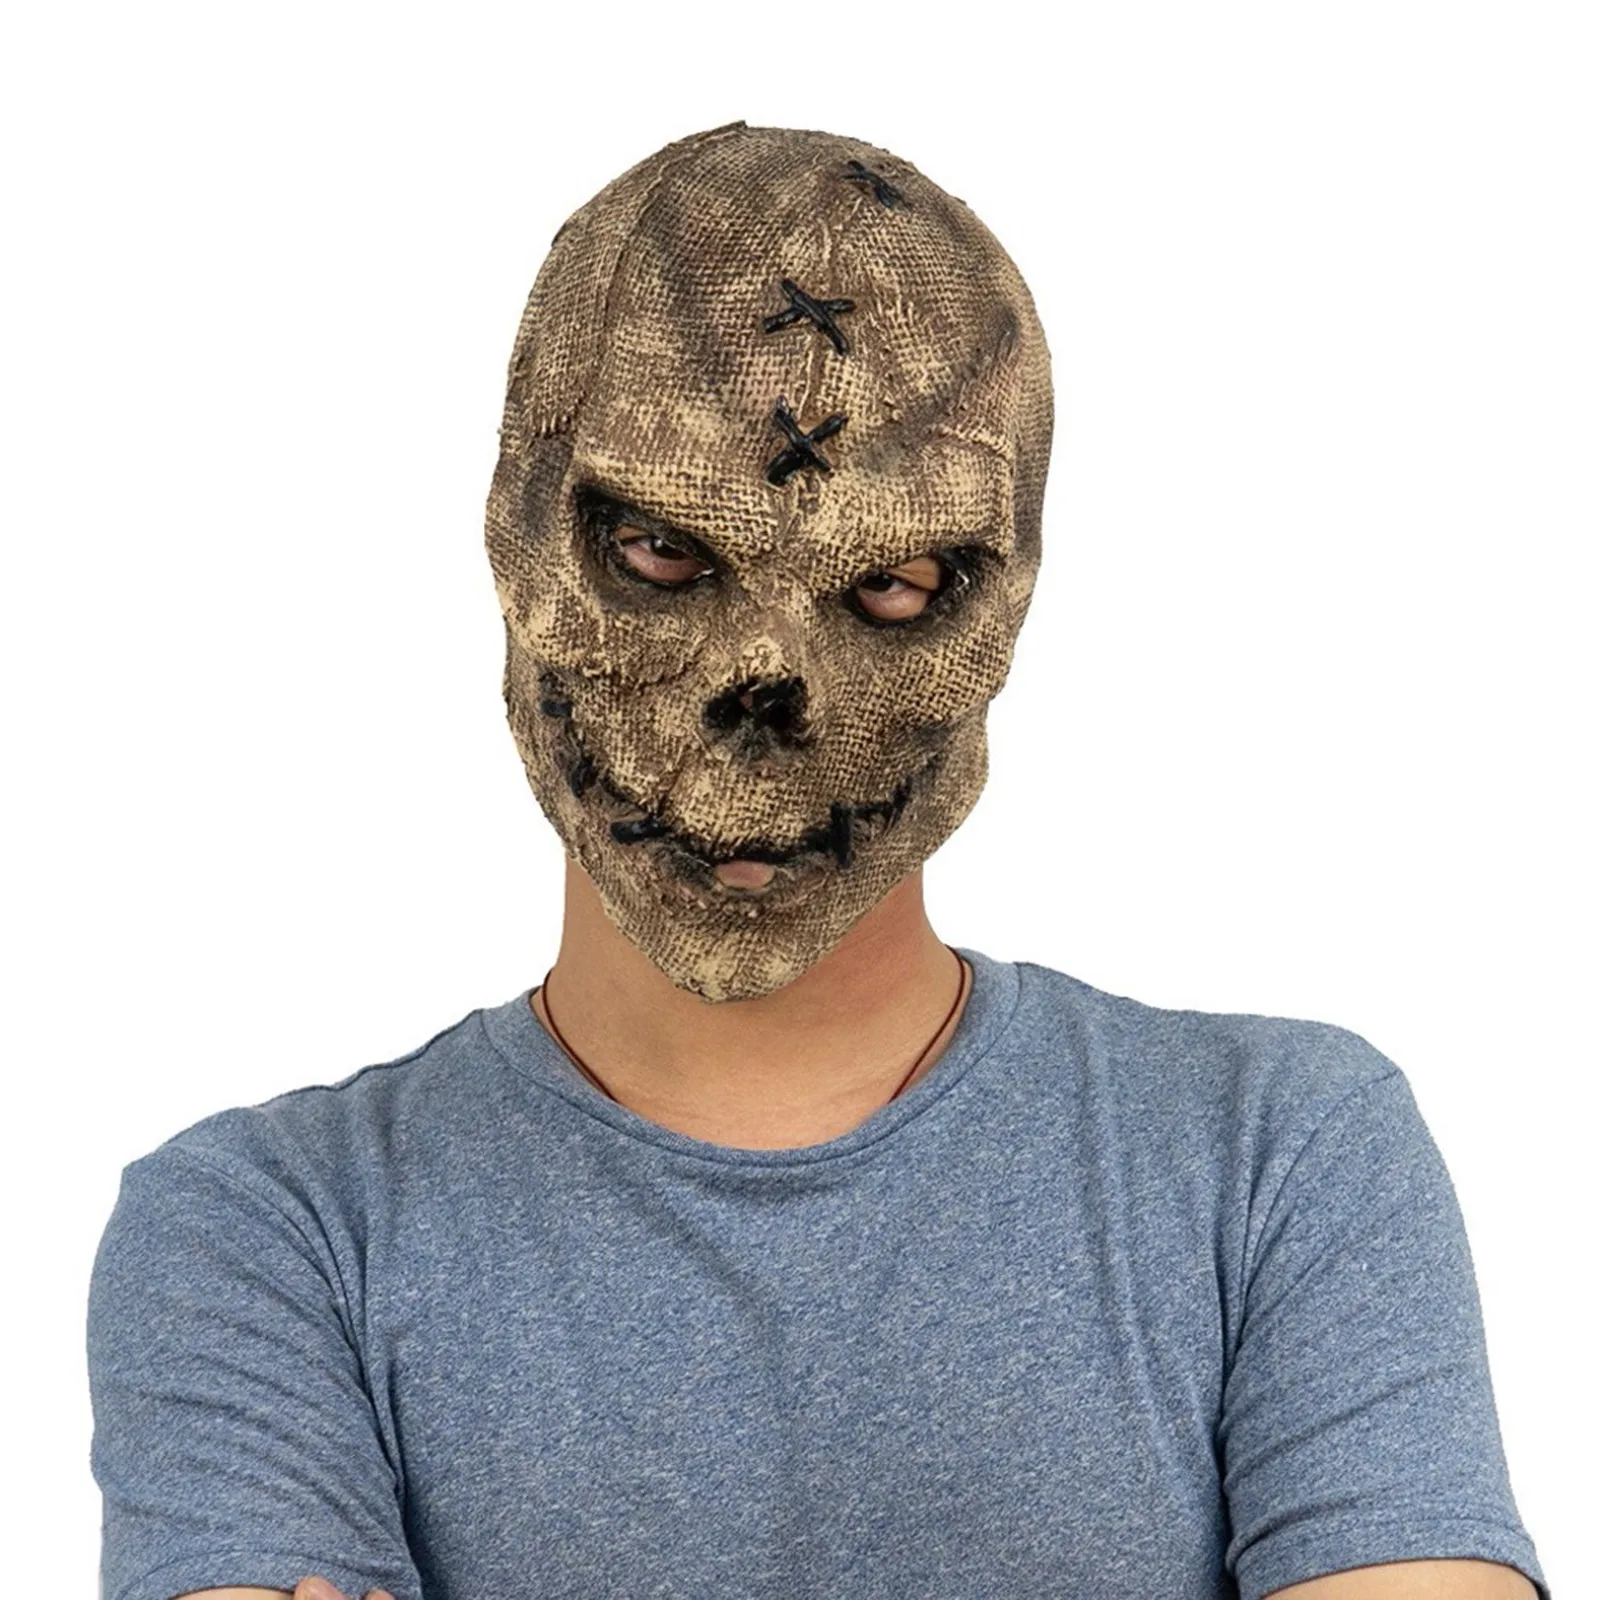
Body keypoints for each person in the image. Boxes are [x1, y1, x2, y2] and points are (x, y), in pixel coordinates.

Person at [87, 121, 1549, 1600]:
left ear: (1006, 608)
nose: (762, 697)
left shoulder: (1279, 1153)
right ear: (515, 535)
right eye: (663, 553)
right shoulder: (262, 1232)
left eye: (894, 586)